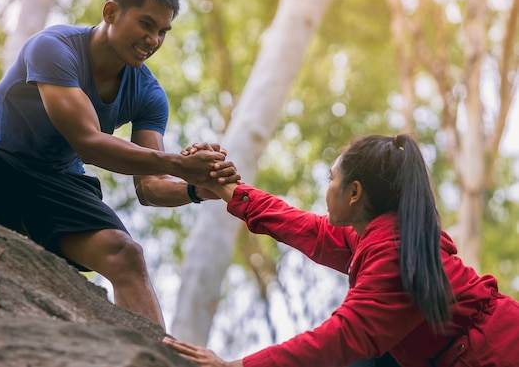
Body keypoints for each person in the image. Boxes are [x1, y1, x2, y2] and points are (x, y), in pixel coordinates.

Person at [0, 0, 239, 330]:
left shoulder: (149, 94)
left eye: (162, 32)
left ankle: (157, 356)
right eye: (146, 25)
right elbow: (88, 143)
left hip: (58, 187)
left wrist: (195, 188)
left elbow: (149, 187)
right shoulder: (53, 47)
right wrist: (181, 163)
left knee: (128, 255)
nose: (153, 40)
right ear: (111, 13)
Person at [165, 134, 519, 366]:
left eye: (331, 178)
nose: (328, 189)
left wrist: (237, 365)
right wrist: (225, 186)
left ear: (354, 193)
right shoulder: (377, 236)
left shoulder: (392, 253)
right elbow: (301, 227)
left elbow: (343, 336)